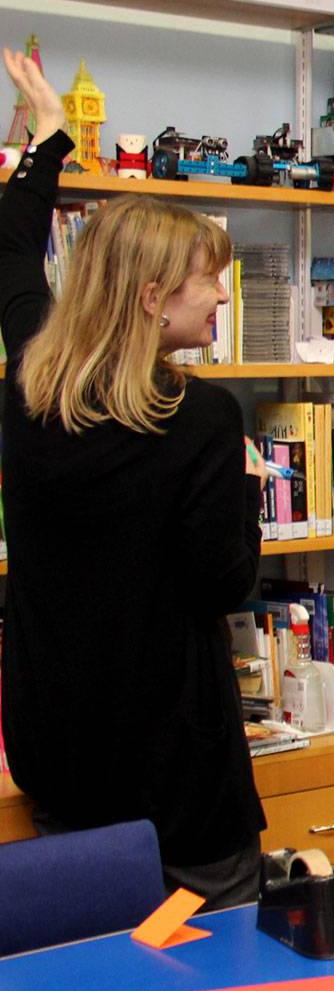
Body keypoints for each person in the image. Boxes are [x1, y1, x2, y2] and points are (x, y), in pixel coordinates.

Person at [0, 46, 271, 905]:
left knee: (85, 969)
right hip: (178, 784)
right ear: (152, 297)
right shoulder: (201, 418)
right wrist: (248, 487)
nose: (221, 297)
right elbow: (223, 581)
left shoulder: (29, 385)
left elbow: (10, 249)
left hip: (62, 768)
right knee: (220, 971)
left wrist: (48, 140)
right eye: (208, 281)